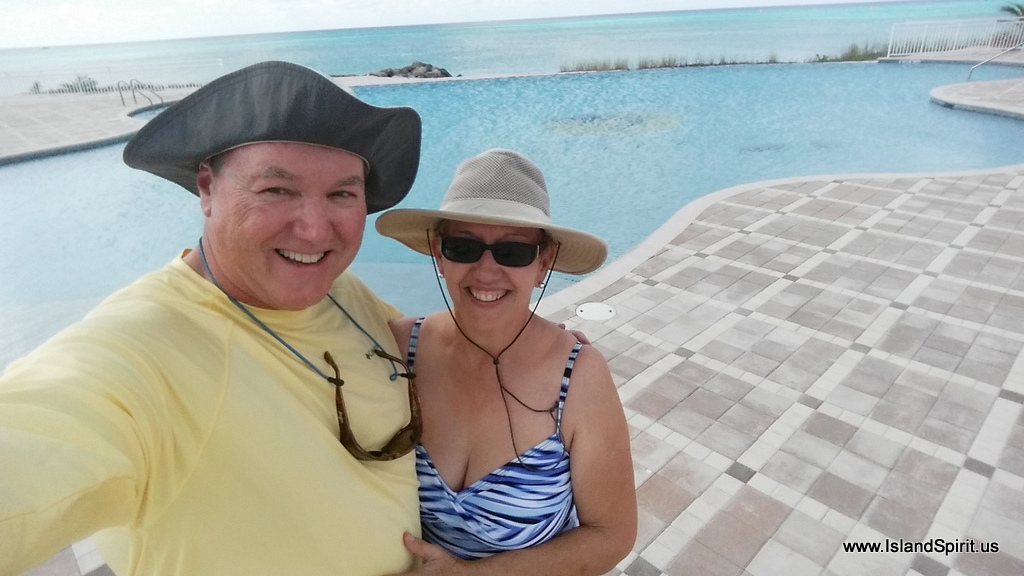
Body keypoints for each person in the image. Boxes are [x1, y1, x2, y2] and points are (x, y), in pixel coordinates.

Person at [0, 61, 425, 575]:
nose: (315, 231)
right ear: (207, 188)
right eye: (276, 190)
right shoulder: (143, 346)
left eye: (342, 194)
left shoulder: (342, 293)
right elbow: (42, 432)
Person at [375, 149, 637, 575]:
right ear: (439, 253)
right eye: (463, 247)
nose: (485, 271)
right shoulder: (398, 348)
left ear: (543, 262)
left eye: (512, 252)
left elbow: (612, 534)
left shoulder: (579, 377)